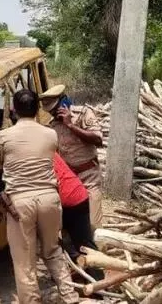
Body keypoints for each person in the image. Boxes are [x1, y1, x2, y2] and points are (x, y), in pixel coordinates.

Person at [0, 89, 79, 304]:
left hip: (20, 202)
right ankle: (70, 296)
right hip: (50, 198)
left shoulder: (3, 136)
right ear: (37, 108)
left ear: (14, 110)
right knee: (52, 251)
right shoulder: (50, 134)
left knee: (24, 260)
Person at [40, 84, 104, 230]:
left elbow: (98, 140)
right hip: (69, 180)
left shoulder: (83, 114)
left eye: (55, 110)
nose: (54, 115)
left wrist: (71, 125)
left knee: (93, 224)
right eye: (51, 112)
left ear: (64, 102)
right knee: (69, 225)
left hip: (89, 177)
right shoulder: (52, 126)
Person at [53, 152, 104, 281]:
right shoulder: (47, 145)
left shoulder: (30, 155)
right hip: (78, 194)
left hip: (66, 199)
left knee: (57, 242)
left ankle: (96, 282)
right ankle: (97, 281)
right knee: (84, 242)